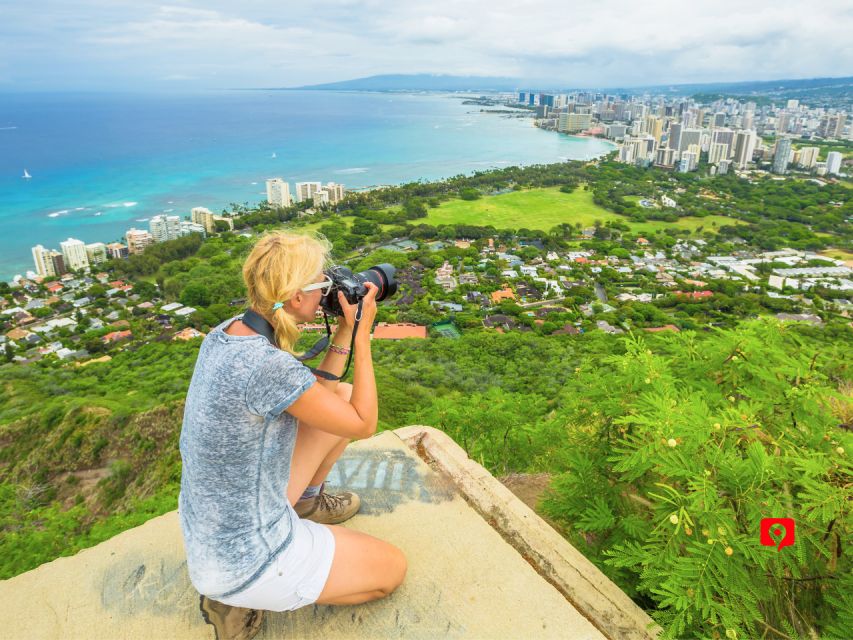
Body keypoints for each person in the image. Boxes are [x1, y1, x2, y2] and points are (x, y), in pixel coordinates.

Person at [178, 231, 407, 640]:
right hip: (245, 559)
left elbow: (319, 397)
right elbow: (363, 423)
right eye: (321, 284)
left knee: (340, 397)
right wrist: (362, 334)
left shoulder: (228, 334)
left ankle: (304, 504)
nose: (327, 292)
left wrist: (343, 331)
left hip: (210, 532)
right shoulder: (265, 366)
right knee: (391, 569)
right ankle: (237, 600)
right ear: (296, 295)